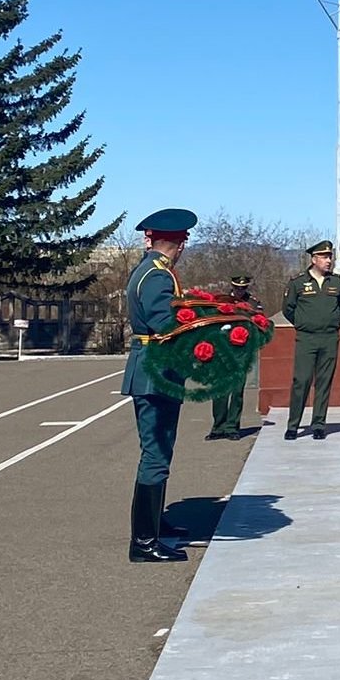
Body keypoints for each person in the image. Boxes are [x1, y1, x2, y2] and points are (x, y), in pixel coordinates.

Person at [122, 208, 197, 563]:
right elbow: (166, 323)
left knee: (160, 451)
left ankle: (157, 524)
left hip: (157, 369)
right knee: (155, 454)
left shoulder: (154, 271)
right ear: (180, 243)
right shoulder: (155, 276)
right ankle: (144, 542)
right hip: (156, 371)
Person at [282, 240, 340, 439]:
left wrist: (333, 321)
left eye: (329, 256)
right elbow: (288, 309)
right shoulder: (298, 282)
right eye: (324, 257)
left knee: (323, 381)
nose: (328, 260)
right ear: (314, 259)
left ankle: (318, 424)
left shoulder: (337, 282)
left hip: (329, 338)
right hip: (307, 338)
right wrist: (303, 323)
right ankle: (293, 425)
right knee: (301, 380)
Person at [207, 273, 262, 440]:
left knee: (237, 391)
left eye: (243, 288)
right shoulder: (221, 301)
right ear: (232, 287)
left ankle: (232, 427)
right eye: (237, 288)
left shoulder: (253, 303)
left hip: (241, 352)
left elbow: (260, 322)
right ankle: (218, 427)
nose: (240, 291)